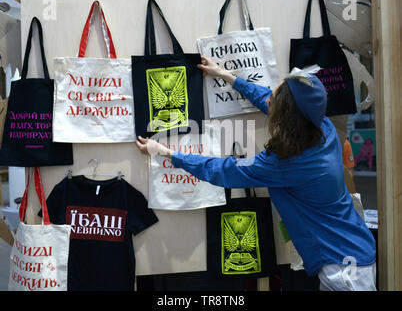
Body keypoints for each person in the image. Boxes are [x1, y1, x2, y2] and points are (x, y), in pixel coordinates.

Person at [136, 56, 377, 291]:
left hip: (345, 272)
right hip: (355, 251)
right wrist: (227, 76)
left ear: (286, 114)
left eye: (274, 96)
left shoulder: (285, 163)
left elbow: (223, 170)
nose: (269, 98)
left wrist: (167, 153)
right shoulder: (321, 127)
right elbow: (270, 101)